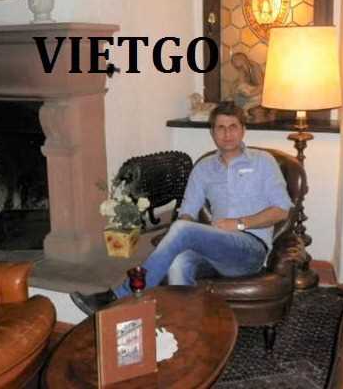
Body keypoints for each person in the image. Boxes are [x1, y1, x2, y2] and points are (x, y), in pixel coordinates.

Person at [70, 103, 292, 315]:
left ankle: (120, 296)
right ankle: (185, 326)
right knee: (178, 262)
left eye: (233, 126)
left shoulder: (263, 161)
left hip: (250, 249)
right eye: (220, 128)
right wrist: (177, 239)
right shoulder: (203, 168)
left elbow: (282, 210)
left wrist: (239, 224)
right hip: (215, 249)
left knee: (182, 230)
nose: (227, 133)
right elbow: (187, 212)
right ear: (212, 133)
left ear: (243, 130)